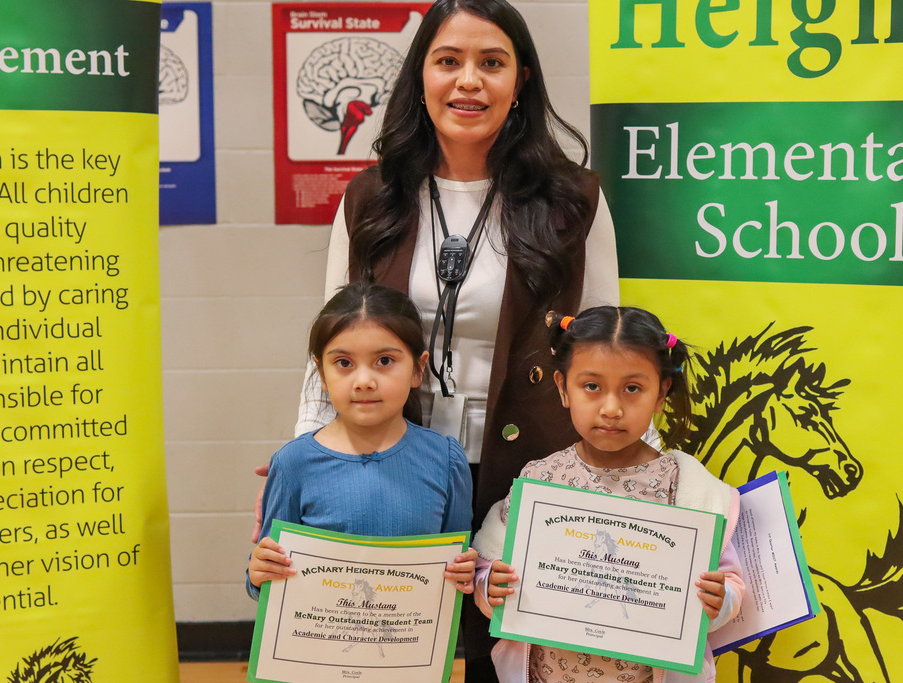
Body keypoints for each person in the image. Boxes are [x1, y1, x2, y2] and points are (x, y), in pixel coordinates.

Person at [256, 0, 622, 675]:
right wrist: (303, 451)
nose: (468, 81)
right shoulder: (372, 197)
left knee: (506, 652)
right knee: (386, 643)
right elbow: (332, 339)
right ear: (420, 77)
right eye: (448, 61)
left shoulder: (575, 199)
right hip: (393, 458)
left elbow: (604, 344)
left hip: (529, 463)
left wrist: (633, 463)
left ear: (524, 80)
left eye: (492, 62)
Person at [471, 306, 745, 683]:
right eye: (592, 386)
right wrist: (491, 588)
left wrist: (720, 601)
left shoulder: (685, 487)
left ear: (661, 392)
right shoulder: (540, 478)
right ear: (563, 388)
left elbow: (729, 584)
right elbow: (490, 566)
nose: (612, 408)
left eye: (632, 388)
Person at [246, 282, 477, 601]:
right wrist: (259, 575)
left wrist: (469, 574)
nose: (364, 381)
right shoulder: (292, 464)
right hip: (317, 646)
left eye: (384, 361)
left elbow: (459, 566)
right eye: (344, 363)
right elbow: (269, 577)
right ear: (322, 375)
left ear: (417, 369)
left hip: (409, 644)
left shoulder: (446, 460)